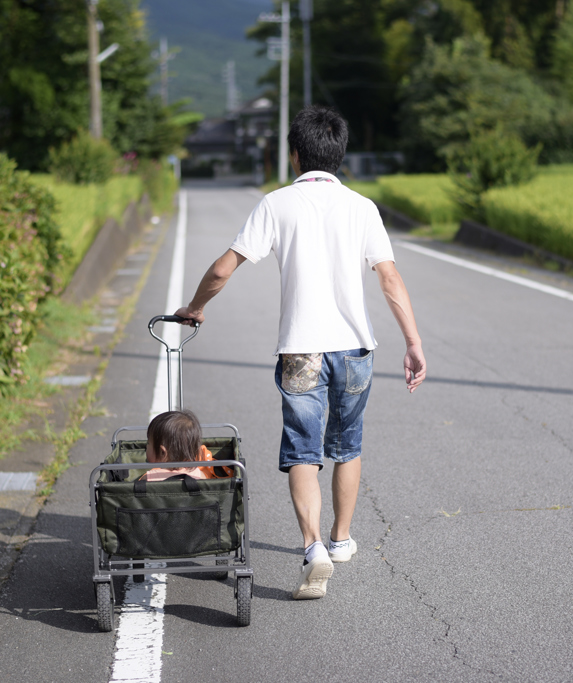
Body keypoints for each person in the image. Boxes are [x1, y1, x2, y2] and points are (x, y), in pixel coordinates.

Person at [174, 105, 426, 600]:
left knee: (303, 452)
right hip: (356, 349)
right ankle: (341, 539)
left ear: (294, 154)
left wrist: (195, 306)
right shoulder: (362, 207)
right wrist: (413, 342)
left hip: (302, 352)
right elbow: (389, 278)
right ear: (340, 154)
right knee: (347, 444)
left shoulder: (277, 204)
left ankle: (312, 546)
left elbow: (224, 269)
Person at [142, 410, 210, 482]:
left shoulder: (149, 478)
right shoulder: (199, 475)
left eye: (148, 443)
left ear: (162, 452)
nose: (146, 447)